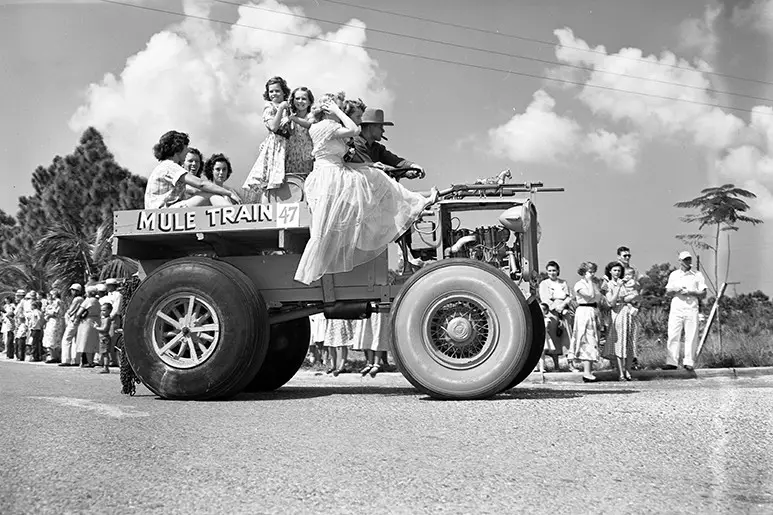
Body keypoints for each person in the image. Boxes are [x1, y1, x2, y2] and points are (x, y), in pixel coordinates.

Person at [293, 92, 438, 285]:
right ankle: (407, 251)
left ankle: (408, 252)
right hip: (328, 177)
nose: (359, 122)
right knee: (373, 182)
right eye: (379, 126)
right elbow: (353, 132)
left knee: (375, 176)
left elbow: (384, 159)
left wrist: (391, 166)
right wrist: (337, 111)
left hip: (337, 172)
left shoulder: (368, 144)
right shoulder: (329, 128)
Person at [144, 130, 240, 209]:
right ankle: (234, 216)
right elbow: (201, 184)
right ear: (177, 148)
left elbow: (195, 191)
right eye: (185, 148)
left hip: (160, 213)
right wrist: (228, 193)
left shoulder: (165, 166)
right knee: (208, 195)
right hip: (163, 213)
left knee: (208, 194)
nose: (187, 151)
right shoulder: (169, 166)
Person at [346, 107, 425, 179]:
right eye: (380, 127)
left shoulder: (377, 148)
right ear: (370, 127)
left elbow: (395, 160)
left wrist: (413, 166)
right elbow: (373, 168)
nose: (383, 131)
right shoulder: (356, 143)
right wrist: (403, 172)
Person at [243, 76, 292, 192]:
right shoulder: (269, 107)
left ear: (284, 92)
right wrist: (280, 109)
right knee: (271, 179)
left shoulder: (288, 107)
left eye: (277, 91)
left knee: (287, 179)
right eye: (271, 91)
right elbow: (273, 127)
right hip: (276, 144)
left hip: (288, 144)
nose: (274, 94)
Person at [664, 251, 707, 371]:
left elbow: (703, 293)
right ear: (680, 261)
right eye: (685, 260)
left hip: (691, 306)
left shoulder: (697, 274)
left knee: (691, 335)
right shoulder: (674, 275)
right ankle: (671, 361)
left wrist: (690, 292)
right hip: (677, 306)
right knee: (673, 333)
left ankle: (689, 361)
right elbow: (668, 291)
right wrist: (675, 289)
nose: (687, 262)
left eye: (689, 259)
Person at [603, 262, 639, 381]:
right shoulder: (609, 285)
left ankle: (628, 371)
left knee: (629, 343)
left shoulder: (624, 283)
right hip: (617, 313)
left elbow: (630, 296)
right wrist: (618, 287)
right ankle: (620, 372)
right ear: (610, 271)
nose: (617, 273)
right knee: (618, 344)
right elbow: (611, 302)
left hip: (627, 313)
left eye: (619, 271)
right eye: (615, 270)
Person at [568, 261, 603, 382]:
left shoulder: (594, 284)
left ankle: (589, 370)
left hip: (592, 310)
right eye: (589, 272)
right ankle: (586, 371)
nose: (592, 274)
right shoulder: (580, 284)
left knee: (593, 339)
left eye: (593, 272)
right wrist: (589, 282)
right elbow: (588, 295)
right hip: (584, 311)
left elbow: (597, 297)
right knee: (586, 339)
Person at [538, 260, 573, 372]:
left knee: (567, 337)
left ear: (558, 271)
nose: (552, 273)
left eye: (554, 270)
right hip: (552, 312)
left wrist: (563, 305)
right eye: (549, 271)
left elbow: (569, 296)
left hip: (564, 311)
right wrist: (555, 307)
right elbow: (545, 299)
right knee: (554, 338)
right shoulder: (544, 284)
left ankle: (570, 364)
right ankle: (555, 365)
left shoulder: (563, 283)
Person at [286, 86, 315, 177]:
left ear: (309, 101)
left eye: (304, 99)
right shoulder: (289, 116)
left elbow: (309, 124)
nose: (300, 101)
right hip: (292, 157)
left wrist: (293, 118)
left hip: (308, 157)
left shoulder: (312, 116)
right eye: (297, 98)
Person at [74, 286, 101, 368]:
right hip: (96, 320)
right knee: (93, 341)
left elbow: (79, 313)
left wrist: (76, 319)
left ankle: (87, 362)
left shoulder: (88, 301)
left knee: (85, 342)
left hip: (86, 321)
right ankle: (91, 361)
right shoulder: (97, 301)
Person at [59, 284, 84, 367]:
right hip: (78, 321)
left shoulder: (77, 299)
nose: (72, 292)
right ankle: (76, 359)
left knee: (66, 339)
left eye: (73, 290)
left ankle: (66, 359)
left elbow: (71, 310)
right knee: (75, 340)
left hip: (73, 320)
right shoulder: (82, 299)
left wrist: (68, 313)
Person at [104, 278, 123, 367]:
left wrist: (110, 317)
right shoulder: (108, 295)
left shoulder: (118, 295)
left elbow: (116, 308)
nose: (107, 287)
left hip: (113, 318)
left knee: (112, 338)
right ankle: (109, 359)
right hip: (106, 318)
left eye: (108, 285)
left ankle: (114, 360)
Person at [42, 289, 65, 363]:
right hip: (50, 321)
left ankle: (55, 356)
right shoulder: (51, 302)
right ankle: (53, 356)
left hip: (55, 321)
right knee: (50, 338)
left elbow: (56, 312)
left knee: (54, 338)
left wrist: (48, 313)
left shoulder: (58, 301)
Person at [95, 302, 113, 374]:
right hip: (102, 338)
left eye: (104, 310)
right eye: (101, 310)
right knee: (103, 353)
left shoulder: (107, 319)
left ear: (109, 311)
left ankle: (106, 367)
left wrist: (97, 328)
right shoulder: (104, 319)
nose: (102, 312)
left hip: (105, 338)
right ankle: (103, 365)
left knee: (105, 353)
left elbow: (104, 329)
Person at [14, 291, 30, 361]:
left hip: (23, 322)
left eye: (18, 296)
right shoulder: (21, 303)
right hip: (19, 322)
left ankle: (21, 356)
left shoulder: (24, 302)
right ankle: (19, 355)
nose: (16, 297)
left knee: (22, 338)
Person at [2, 294, 18, 359]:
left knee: (10, 338)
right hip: (5, 322)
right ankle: (7, 350)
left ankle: (10, 353)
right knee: (5, 337)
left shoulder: (12, 306)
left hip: (10, 321)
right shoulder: (5, 306)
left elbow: (13, 312)